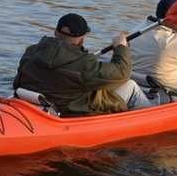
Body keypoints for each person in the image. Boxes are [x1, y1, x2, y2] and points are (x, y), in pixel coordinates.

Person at [13, 13, 153, 116]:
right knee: (131, 86)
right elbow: (123, 72)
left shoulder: (31, 51)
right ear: (82, 39)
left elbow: (17, 83)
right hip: (70, 110)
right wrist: (121, 47)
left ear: (55, 32)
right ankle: (151, 120)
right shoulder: (83, 64)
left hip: (41, 103)